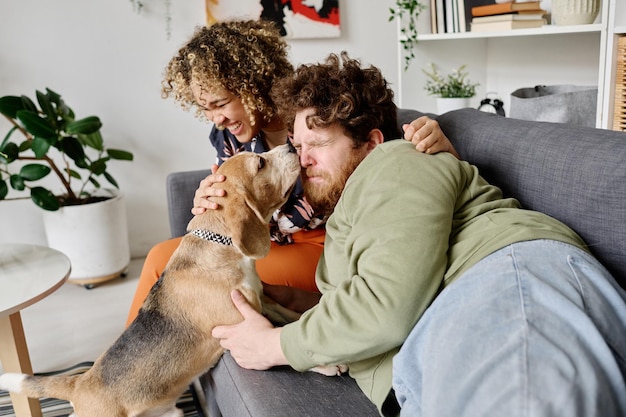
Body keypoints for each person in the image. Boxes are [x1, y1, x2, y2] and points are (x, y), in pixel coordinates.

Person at [211, 52, 626, 417]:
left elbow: (388, 305)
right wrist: (301, 303)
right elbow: (386, 290)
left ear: (371, 142)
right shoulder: (353, 211)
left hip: (499, 283)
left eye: (316, 143)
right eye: (299, 148)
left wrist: (274, 346)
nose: (303, 161)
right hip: (431, 350)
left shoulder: (400, 159)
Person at [126, 20, 459, 325]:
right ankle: (127, 375)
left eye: (221, 103)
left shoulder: (308, 117)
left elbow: (382, 149)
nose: (216, 118)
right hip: (263, 238)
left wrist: (435, 140)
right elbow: (240, 206)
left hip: (322, 246)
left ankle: (131, 383)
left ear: (250, 85)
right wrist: (212, 202)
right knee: (161, 257)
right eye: (206, 108)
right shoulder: (230, 137)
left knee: (177, 270)